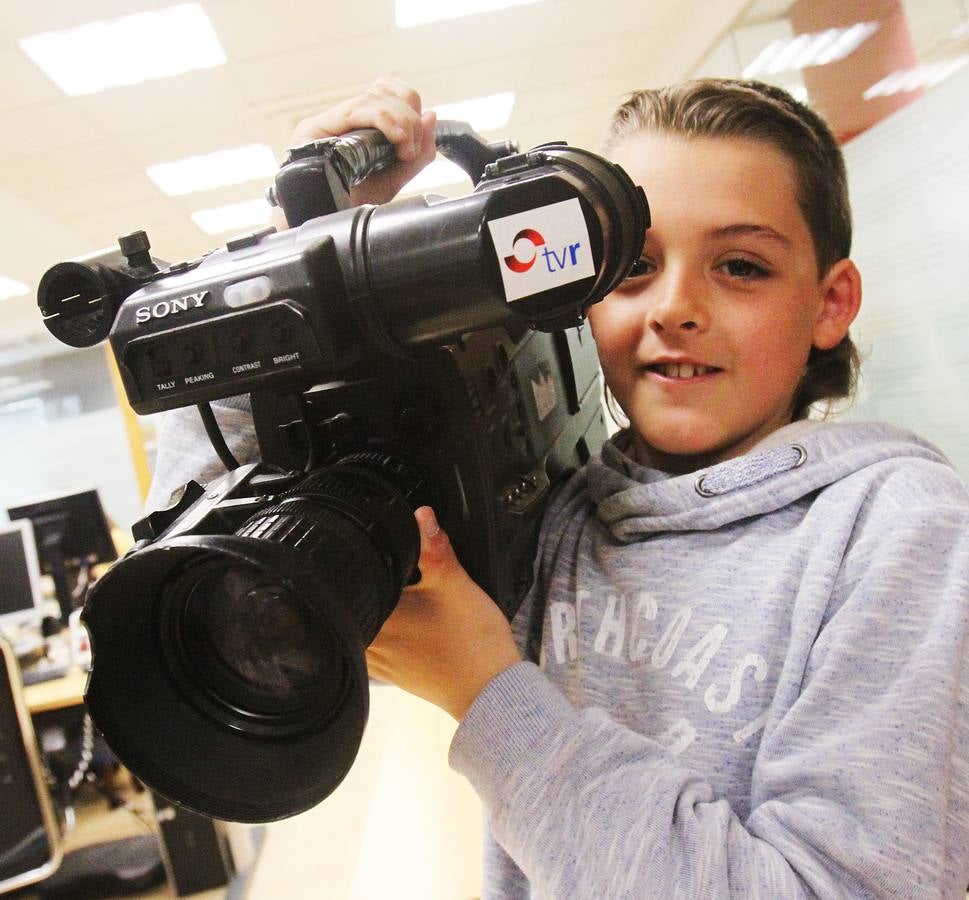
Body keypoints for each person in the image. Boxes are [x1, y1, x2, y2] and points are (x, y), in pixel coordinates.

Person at [149, 77, 969, 896]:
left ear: (830, 303)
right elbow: (229, 544)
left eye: (741, 266)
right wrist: (298, 262)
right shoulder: (555, 520)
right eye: (636, 266)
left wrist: (488, 693)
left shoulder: (898, 534)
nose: (675, 307)